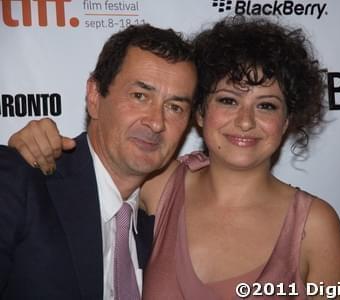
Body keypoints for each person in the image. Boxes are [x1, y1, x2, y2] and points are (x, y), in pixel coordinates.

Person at [9, 17, 340, 299]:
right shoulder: (160, 184)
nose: (246, 121)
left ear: (287, 120)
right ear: (200, 114)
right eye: (229, 100)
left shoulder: (314, 227)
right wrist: (32, 146)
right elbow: (96, 165)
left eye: (266, 105)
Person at [0, 24, 197, 299]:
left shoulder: (162, 231)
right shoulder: (19, 181)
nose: (156, 122)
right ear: (94, 96)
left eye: (175, 107)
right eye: (140, 96)